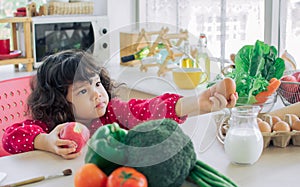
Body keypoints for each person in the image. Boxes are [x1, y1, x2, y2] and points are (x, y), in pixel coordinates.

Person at [2, 50, 238, 159]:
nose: (97, 95)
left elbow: (152, 109)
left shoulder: (113, 113)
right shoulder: (53, 125)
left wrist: (197, 103)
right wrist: (46, 141)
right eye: (83, 90)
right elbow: (11, 137)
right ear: (61, 101)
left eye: (97, 84)